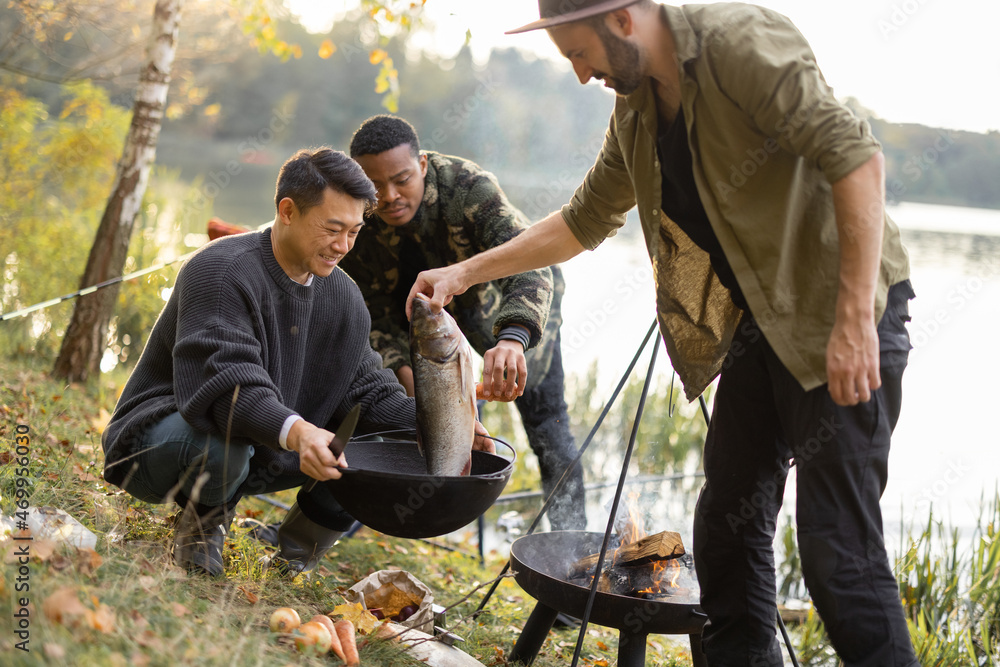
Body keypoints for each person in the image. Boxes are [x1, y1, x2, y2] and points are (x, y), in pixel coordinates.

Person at [406, 1, 918, 665]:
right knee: (728, 527)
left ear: (621, 18)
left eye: (578, 54)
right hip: (762, 326)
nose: (582, 75)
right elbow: (582, 221)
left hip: (844, 312)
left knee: (838, 556)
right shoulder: (637, 107)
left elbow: (858, 162)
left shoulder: (739, 43)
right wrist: (463, 272)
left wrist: (853, 323)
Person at [102, 147, 487, 578]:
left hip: (262, 451)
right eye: (332, 229)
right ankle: (202, 526)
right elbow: (231, 387)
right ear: (287, 211)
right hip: (159, 441)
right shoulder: (221, 270)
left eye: (355, 232)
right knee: (222, 443)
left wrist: (444, 423)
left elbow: (366, 389)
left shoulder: (343, 297)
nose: (343, 246)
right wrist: (300, 433)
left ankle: (296, 554)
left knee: (373, 449)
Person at [339, 114, 586, 532]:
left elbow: (531, 265)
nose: (390, 196)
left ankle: (571, 546)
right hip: (429, 338)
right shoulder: (358, 215)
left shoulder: (469, 187)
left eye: (401, 179)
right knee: (428, 426)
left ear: (421, 164)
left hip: (513, 311)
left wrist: (512, 339)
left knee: (548, 430)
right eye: (375, 186)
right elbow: (375, 314)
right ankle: (368, 519)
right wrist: (431, 397)